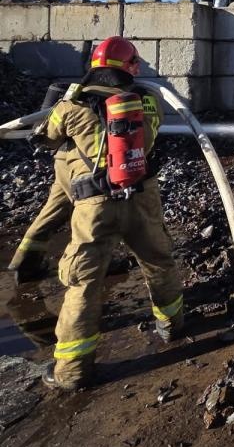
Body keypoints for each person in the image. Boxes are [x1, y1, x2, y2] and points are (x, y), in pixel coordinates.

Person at [35, 36, 184, 391]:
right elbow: (151, 137)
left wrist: (65, 103)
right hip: (141, 198)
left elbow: (47, 137)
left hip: (94, 205)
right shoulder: (147, 100)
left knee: (83, 282)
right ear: (130, 66)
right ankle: (172, 327)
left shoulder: (72, 104)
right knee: (159, 262)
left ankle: (72, 372)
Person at [7, 82, 75, 284]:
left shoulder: (74, 93)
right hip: (81, 164)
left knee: (52, 212)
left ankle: (24, 262)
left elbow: (47, 135)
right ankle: (92, 264)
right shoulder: (102, 94)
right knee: (93, 215)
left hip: (63, 160)